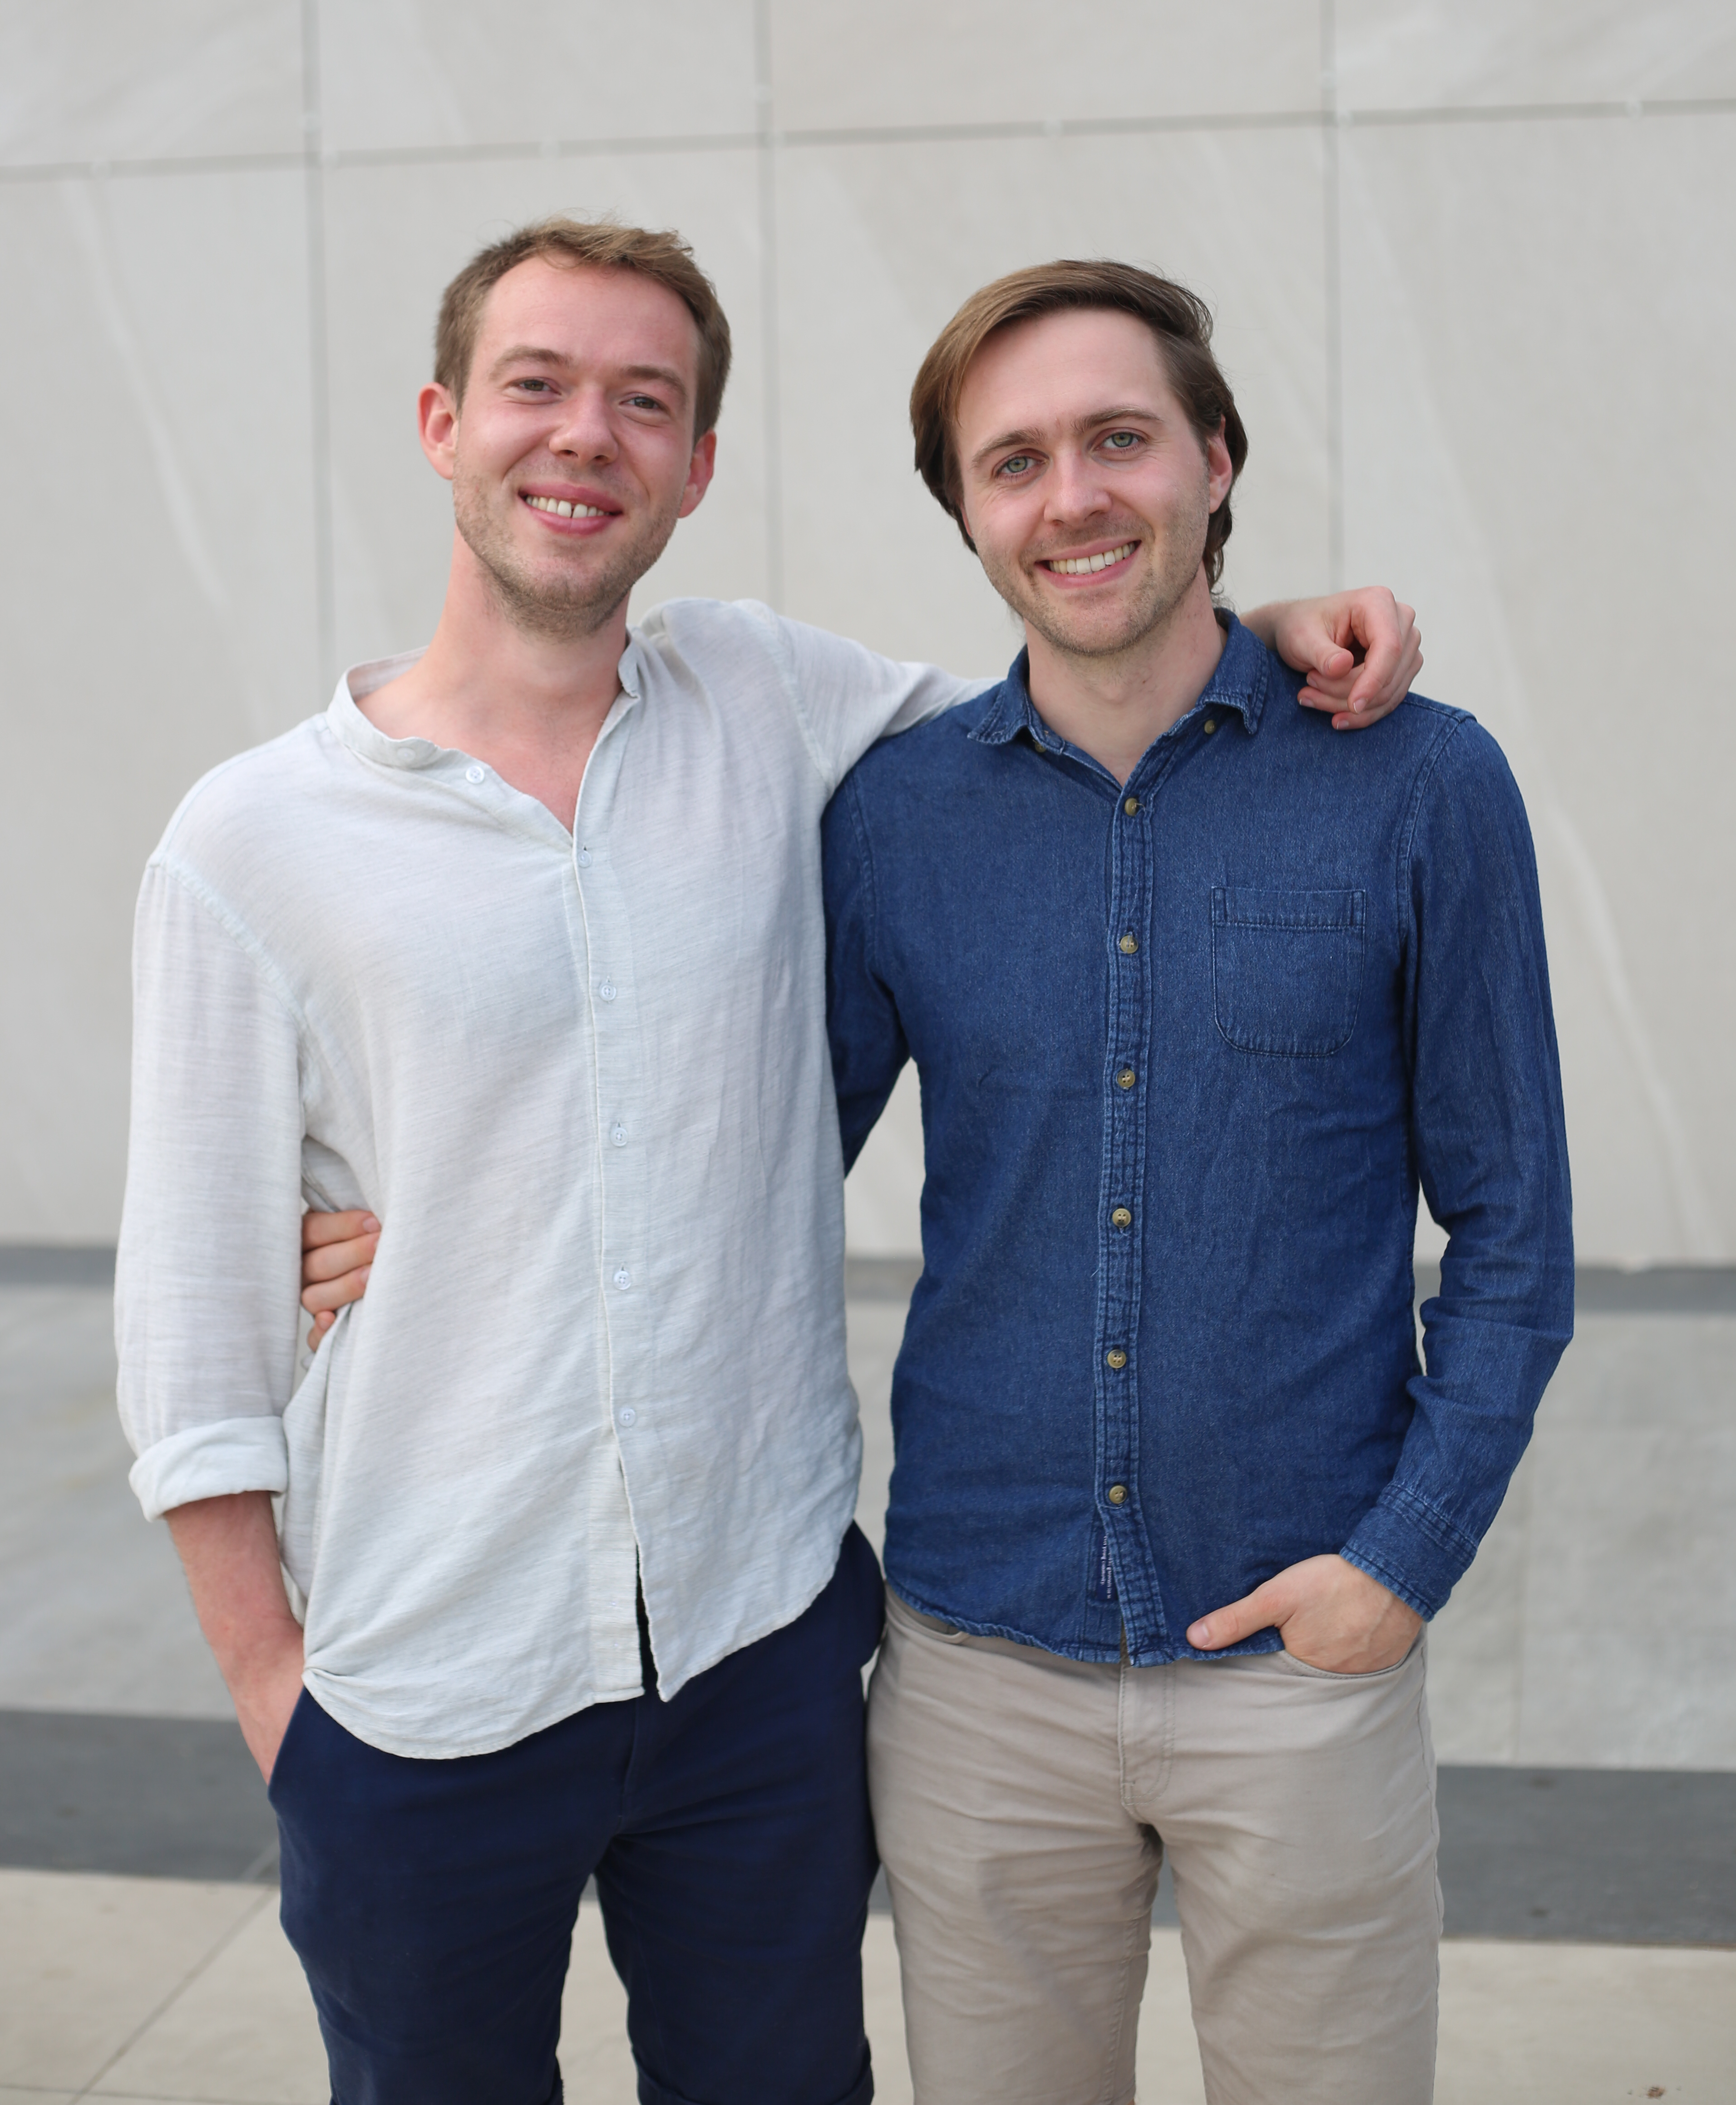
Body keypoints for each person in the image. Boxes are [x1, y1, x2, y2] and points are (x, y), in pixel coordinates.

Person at [118, 216, 1420, 2105]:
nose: (586, 437)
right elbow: (185, 1332)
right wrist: (276, 1698)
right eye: (537, 387)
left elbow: (1073, 684)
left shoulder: (772, 701)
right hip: (420, 1680)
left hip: (758, 1662)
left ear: (697, 466)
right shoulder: (252, 843)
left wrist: (1270, 618)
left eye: (644, 402)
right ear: (439, 422)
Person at [816, 261, 1573, 2105]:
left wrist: (1398, 1565)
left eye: (1113, 437)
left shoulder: (1417, 782)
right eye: (1011, 461)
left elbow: (1513, 1227)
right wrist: (419, 1213)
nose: (1068, 494)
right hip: (977, 1667)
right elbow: (736, 1168)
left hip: (1301, 1669)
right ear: (969, 516)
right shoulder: (887, 816)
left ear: (1212, 459)